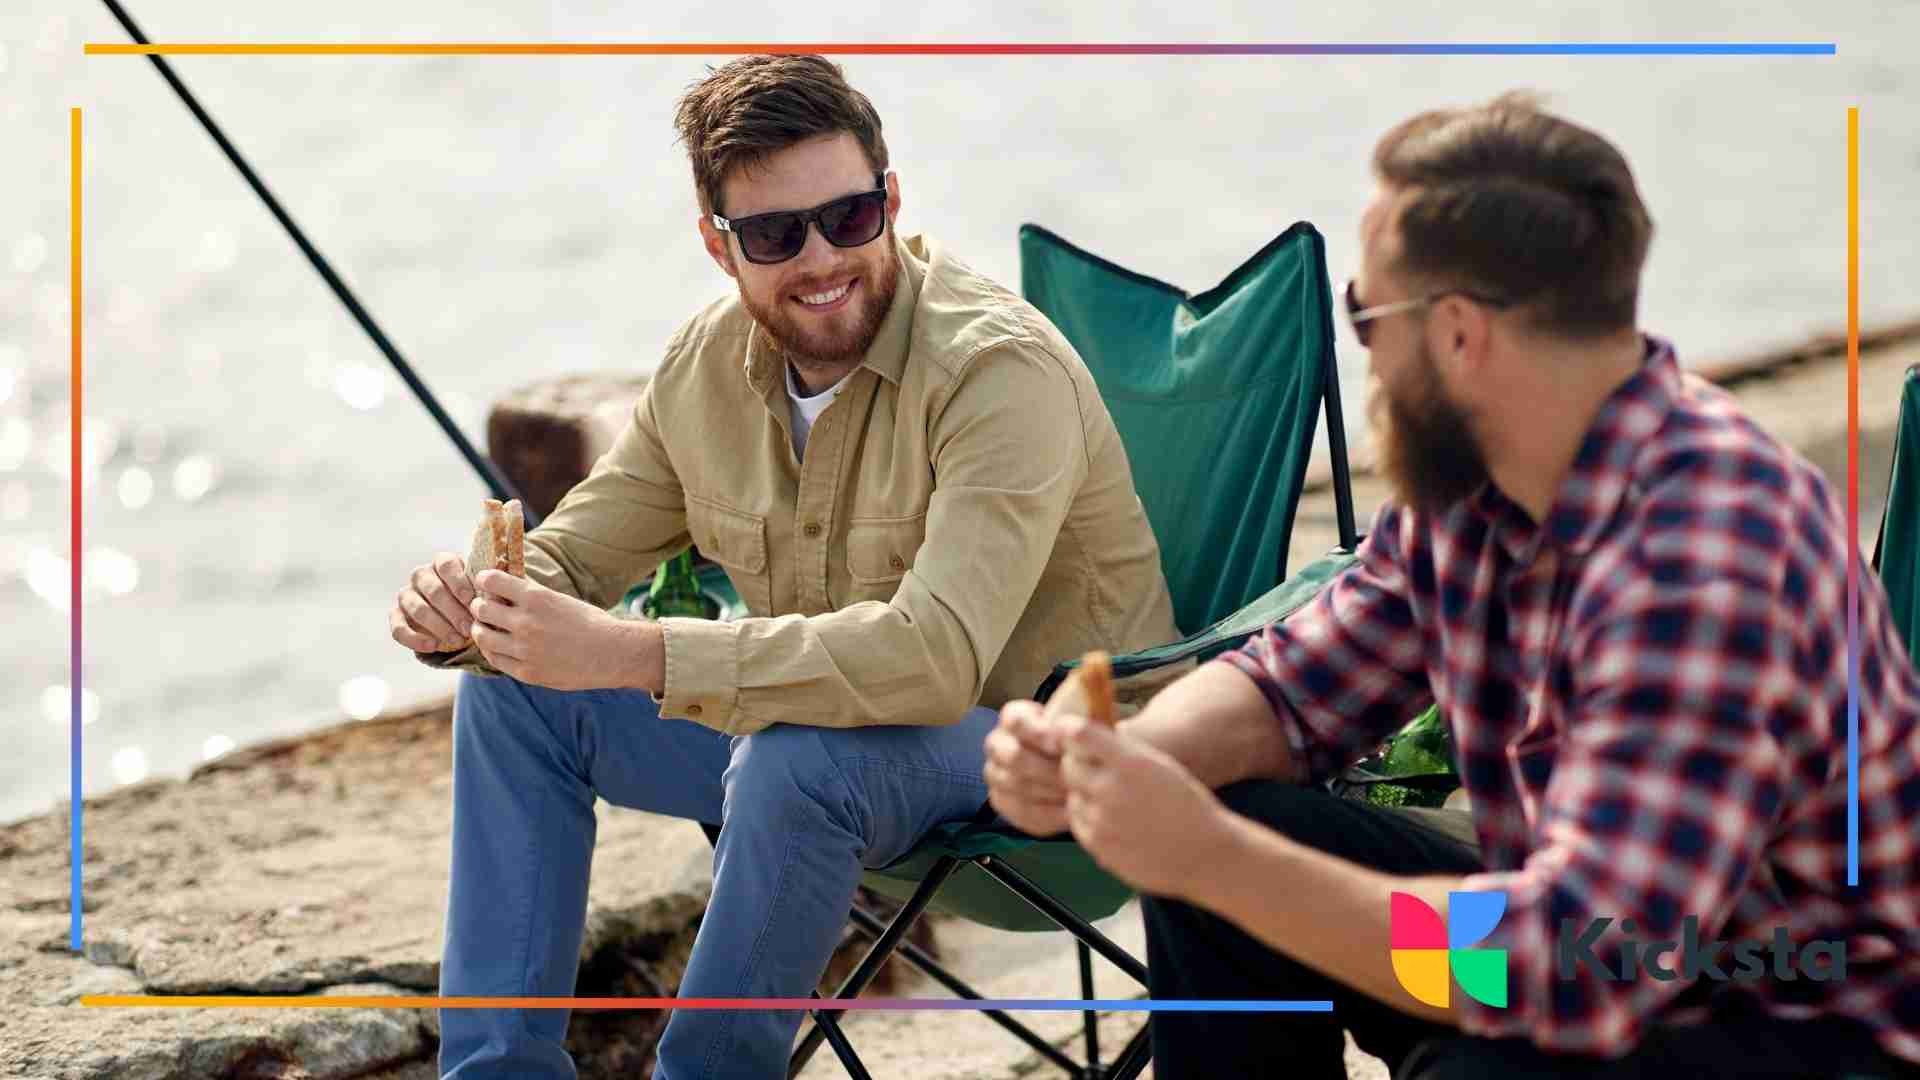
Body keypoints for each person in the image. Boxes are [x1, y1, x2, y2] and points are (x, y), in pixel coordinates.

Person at [985, 92, 1920, 1079]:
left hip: (1798, 1021)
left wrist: (1207, 853)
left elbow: (1570, 970)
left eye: (1365, 315)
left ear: (1460, 335)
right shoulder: (1480, 482)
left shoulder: (1703, 556)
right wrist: (1112, 769)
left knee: (1458, 1057)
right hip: (1598, 951)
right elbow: (1289, 691)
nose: (1367, 356)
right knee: (1224, 844)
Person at [388, 54, 1180, 1079]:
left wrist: (636, 653)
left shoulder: (996, 372)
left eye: (849, 217)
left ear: (891, 200)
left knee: (796, 759)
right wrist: (468, 607)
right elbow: (575, 554)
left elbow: (934, 659)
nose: (821, 259)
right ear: (718, 245)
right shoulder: (708, 366)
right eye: (774, 235)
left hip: (1041, 760)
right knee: (513, 693)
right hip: (828, 754)